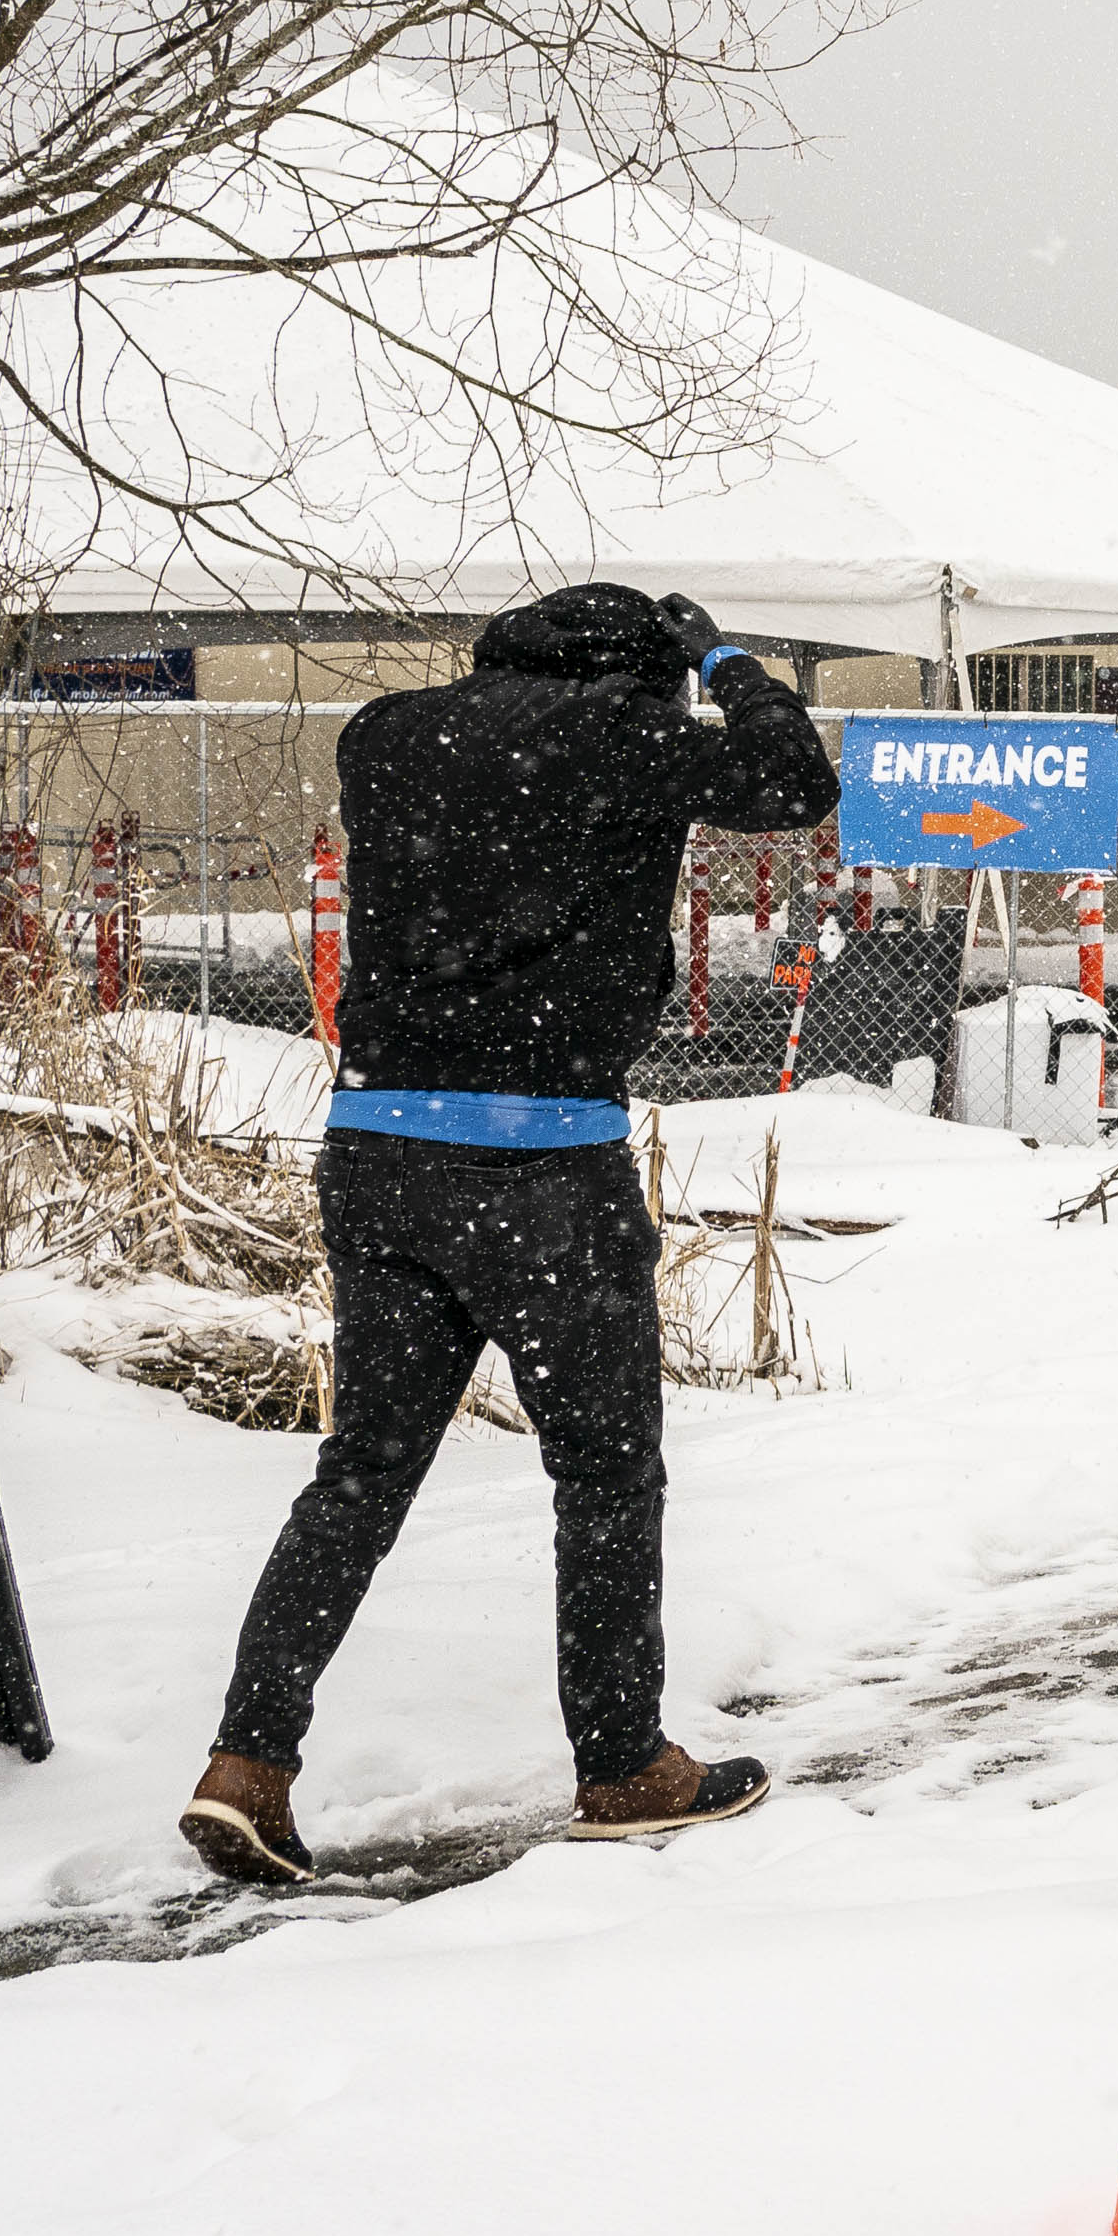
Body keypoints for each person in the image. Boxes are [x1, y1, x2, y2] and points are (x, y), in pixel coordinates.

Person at [177, 582, 838, 1886]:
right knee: (602, 1475)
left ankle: (248, 1760)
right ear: (635, 679)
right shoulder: (613, 736)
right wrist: (724, 658)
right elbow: (790, 776)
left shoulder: (388, 735)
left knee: (360, 1475)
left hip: (380, 1154)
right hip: (542, 1163)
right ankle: (622, 1764)